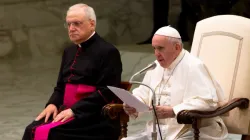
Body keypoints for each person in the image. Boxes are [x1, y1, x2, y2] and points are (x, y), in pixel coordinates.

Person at [22, 3, 122, 140]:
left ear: (92, 24)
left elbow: (107, 91)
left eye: (76, 23)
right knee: (31, 130)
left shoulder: (108, 51)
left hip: (94, 117)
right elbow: (60, 86)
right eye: (68, 24)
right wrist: (52, 104)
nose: (71, 28)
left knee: (53, 133)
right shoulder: (69, 51)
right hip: (66, 111)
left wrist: (75, 110)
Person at [123, 26, 228, 140]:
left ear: (177, 47)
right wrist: (134, 105)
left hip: (192, 130)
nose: (156, 53)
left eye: (160, 48)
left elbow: (208, 102)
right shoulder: (156, 66)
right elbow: (143, 93)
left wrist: (174, 110)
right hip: (158, 131)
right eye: (154, 48)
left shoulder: (193, 66)